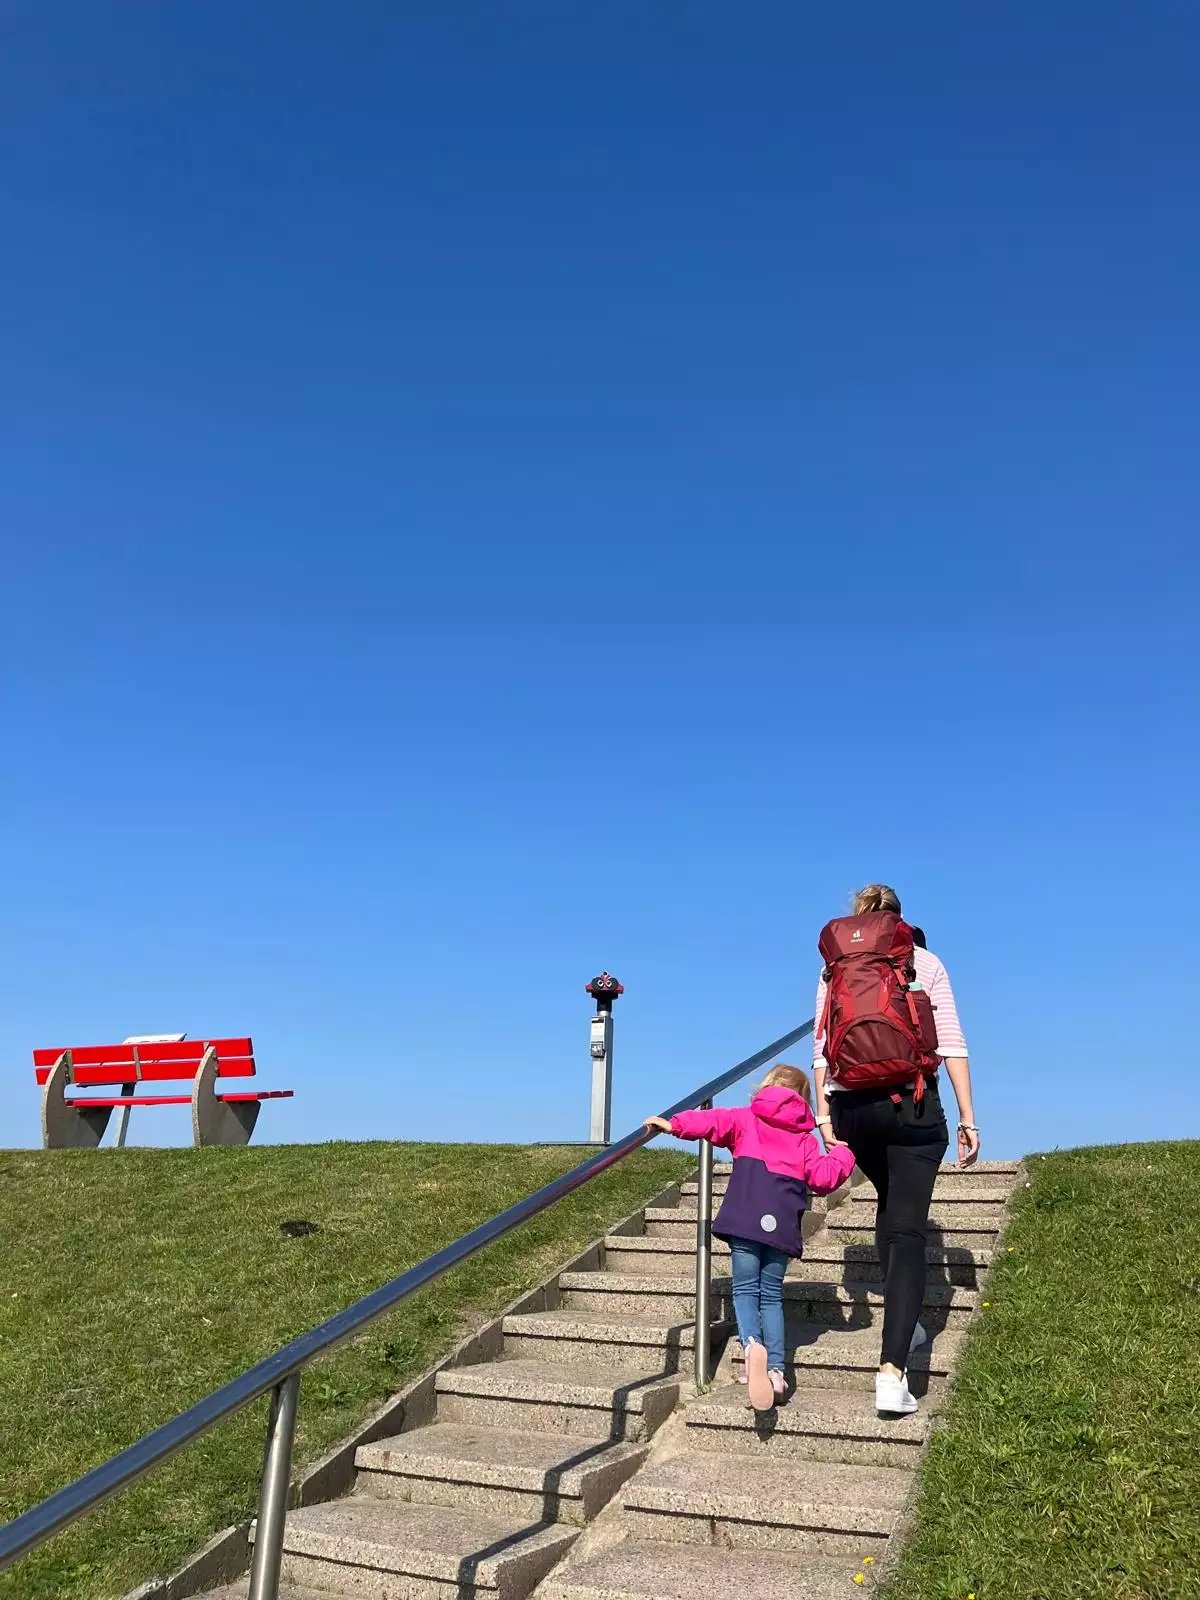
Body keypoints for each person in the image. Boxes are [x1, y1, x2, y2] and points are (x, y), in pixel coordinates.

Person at [812, 883, 979, 1419]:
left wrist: (822, 1116)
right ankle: (892, 1370)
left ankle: (906, 1323)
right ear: (900, 922)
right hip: (909, 1105)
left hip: (850, 1111)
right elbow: (950, 1041)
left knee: (888, 1204)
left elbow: (821, 1047)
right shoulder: (923, 961)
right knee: (907, 1226)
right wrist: (969, 1118)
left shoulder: (834, 968)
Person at [644, 1063, 855, 1412]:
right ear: (803, 1100)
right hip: (783, 1223)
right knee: (771, 1295)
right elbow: (822, 1179)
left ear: (767, 1087)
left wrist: (674, 1125)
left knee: (744, 1290)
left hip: (745, 1218)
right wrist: (845, 1152)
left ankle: (751, 1345)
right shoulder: (804, 1139)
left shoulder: (745, 1119)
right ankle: (775, 1371)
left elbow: (712, 1122)